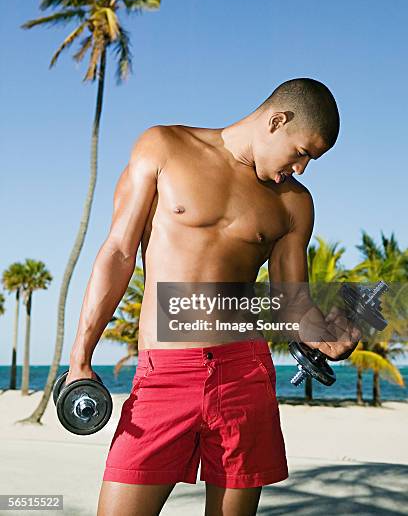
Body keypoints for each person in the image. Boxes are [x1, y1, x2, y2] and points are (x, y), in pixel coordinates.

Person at [67, 77, 360, 516]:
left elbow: (292, 303)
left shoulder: (295, 203)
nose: (301, 169)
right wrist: (81, 358)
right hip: (163, 375)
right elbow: (118, 253)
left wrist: (327, 338)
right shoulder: (164, 147)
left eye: (311, 161)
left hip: (244, 376)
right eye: (302, 153)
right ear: (276, 121)